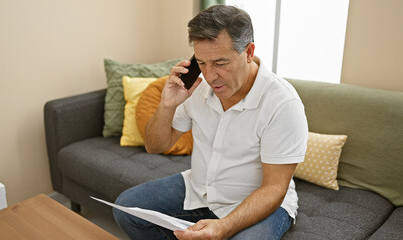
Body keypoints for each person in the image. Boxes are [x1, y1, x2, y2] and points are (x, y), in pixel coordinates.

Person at [113, 5, 308, 240]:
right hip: (200, 189)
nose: (210, 76)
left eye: (220, 63)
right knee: (127, 209)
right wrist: (167, 105)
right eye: (202, 63)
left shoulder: (282, 103)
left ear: (248, 52)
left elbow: (275, 188)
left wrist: (224, 226)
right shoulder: (196, 87)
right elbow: (155, 146)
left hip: (257, 201)